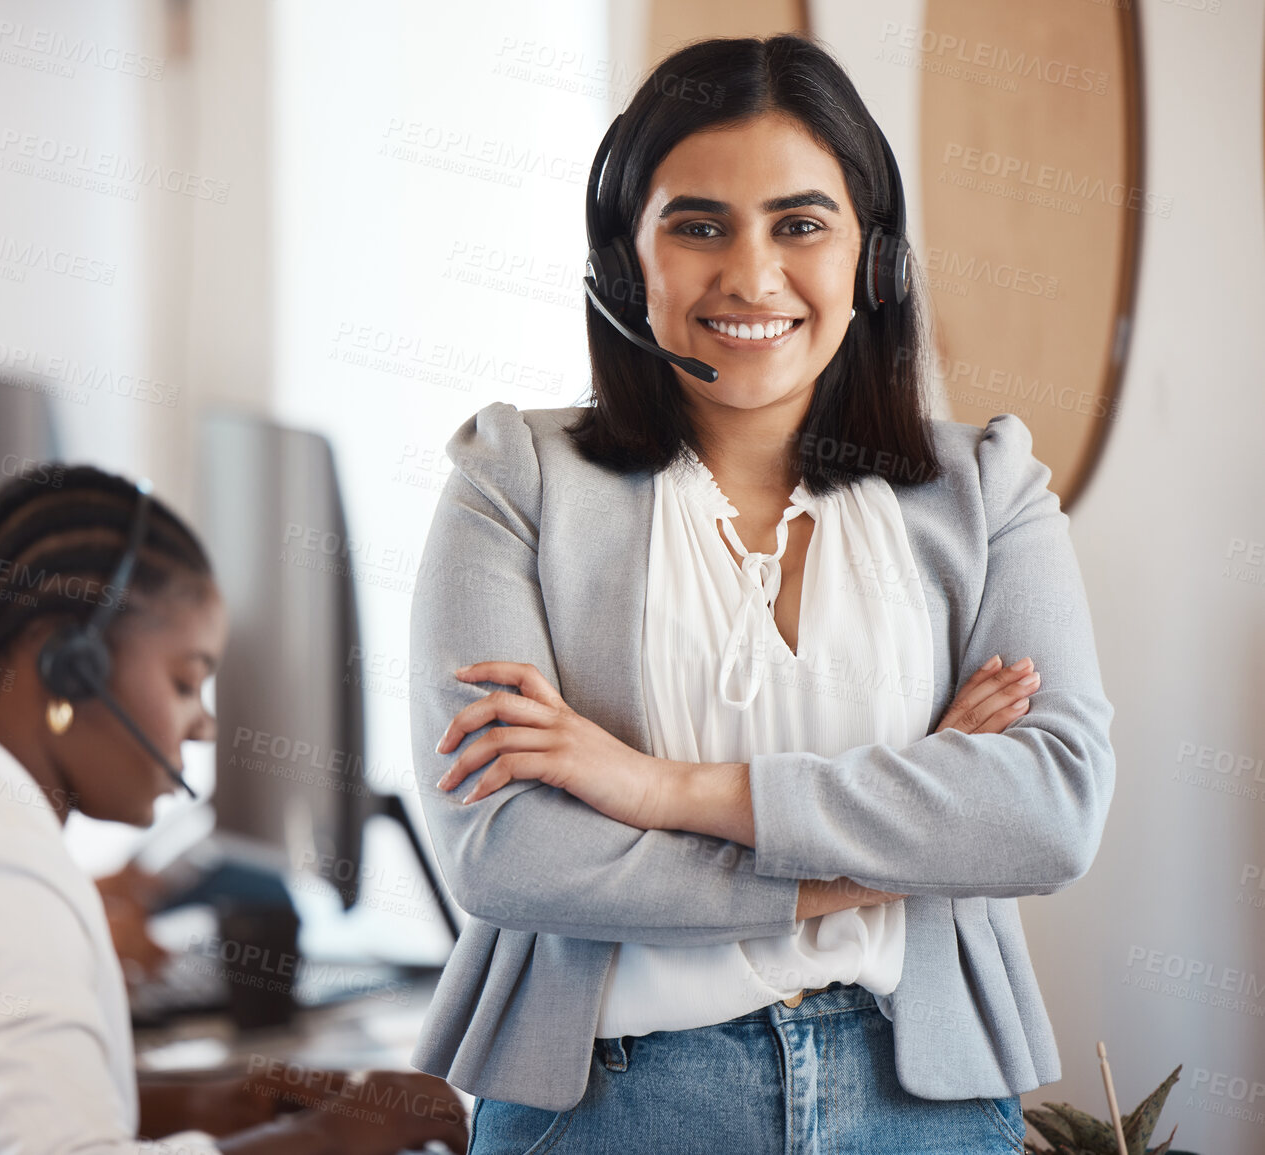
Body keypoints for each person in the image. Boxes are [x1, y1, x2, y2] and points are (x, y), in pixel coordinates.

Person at [407, 34, 1115, 1154]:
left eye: (800, 224)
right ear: (621, 260)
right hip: (613, 1105)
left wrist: (656, 788)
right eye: (697, 225)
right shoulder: (513, 482)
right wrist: (896, 844)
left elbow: (1049, 812)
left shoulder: (987, 488)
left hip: (917, 1105)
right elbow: (509, 853)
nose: (749, 276)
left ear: (871, 263)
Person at [0, 465, 468, 1155]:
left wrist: (224, 1100)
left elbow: (20, 1105)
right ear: (69, 665)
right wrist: (332, 1138)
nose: (203, 726)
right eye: (184, 680)